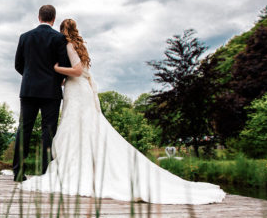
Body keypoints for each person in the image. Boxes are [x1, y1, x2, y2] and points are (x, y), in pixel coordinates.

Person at [21, 19, 225, 204]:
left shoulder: (68, 44)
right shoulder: (80, 45)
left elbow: (75, 70)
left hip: (77, 90)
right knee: (84, 128)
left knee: (78, 127)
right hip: (79, 89)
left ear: (63, 30)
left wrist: (57, 70)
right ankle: (89, 168)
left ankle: (82, 171)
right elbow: (81, 70)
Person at [12, 5, 71, 182]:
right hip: (51, 91)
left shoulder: (25, 37)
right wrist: (53, 80)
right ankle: (45, 173)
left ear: (39, 17)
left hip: (29, 89)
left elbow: (18, 64)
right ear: (53, 19)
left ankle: (18, 172)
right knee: (48, 131)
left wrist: (30, 77)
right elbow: (64, 65)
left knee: (24, 130)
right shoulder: (59, 38)